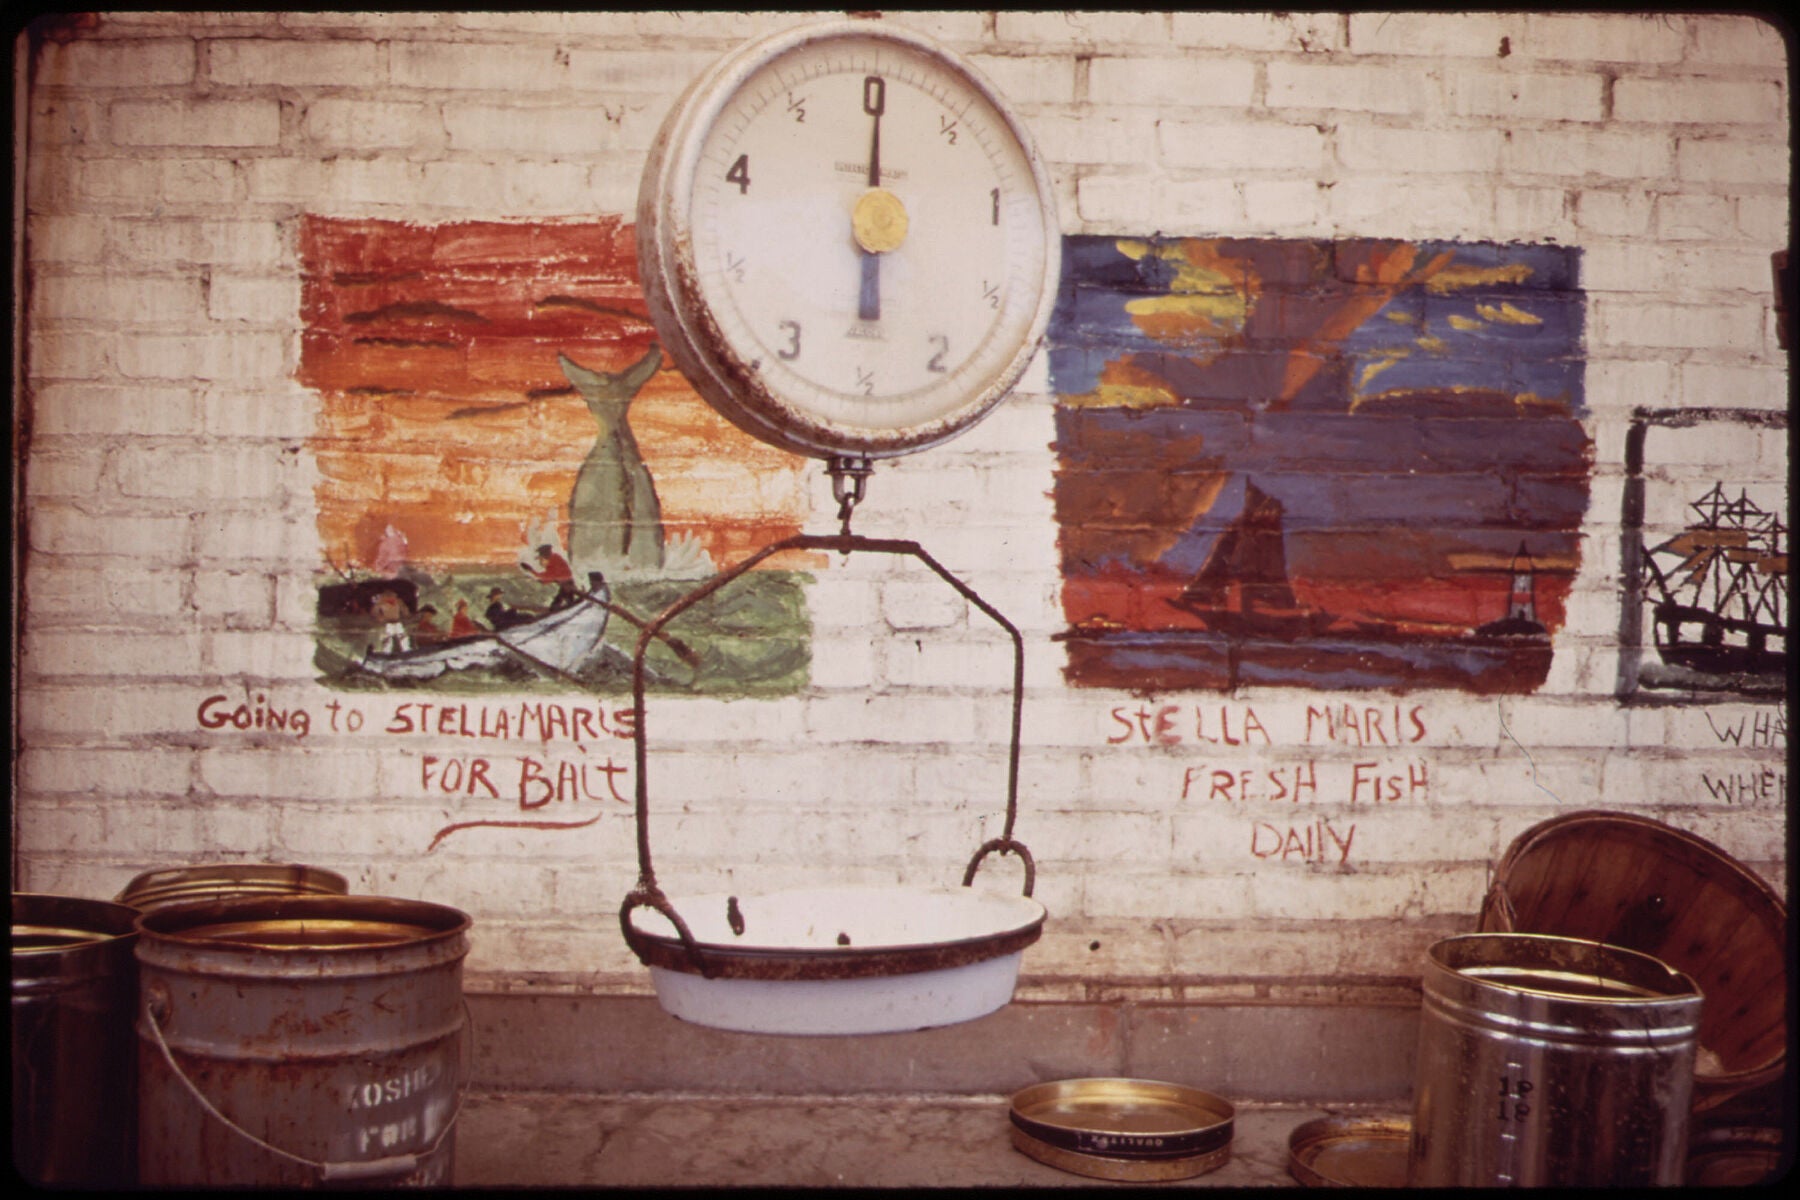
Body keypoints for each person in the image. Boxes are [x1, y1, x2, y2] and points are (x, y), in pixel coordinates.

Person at [524, 543, 578, 608]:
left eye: (541, 557)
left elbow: (551, 575)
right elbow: (551, 576)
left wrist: (532, 571)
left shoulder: (555, 560)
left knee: (562, 602)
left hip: (567, 585)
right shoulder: (553, 560)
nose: (541, 561)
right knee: (561, 601)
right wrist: (543, 580)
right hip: (564, 585)